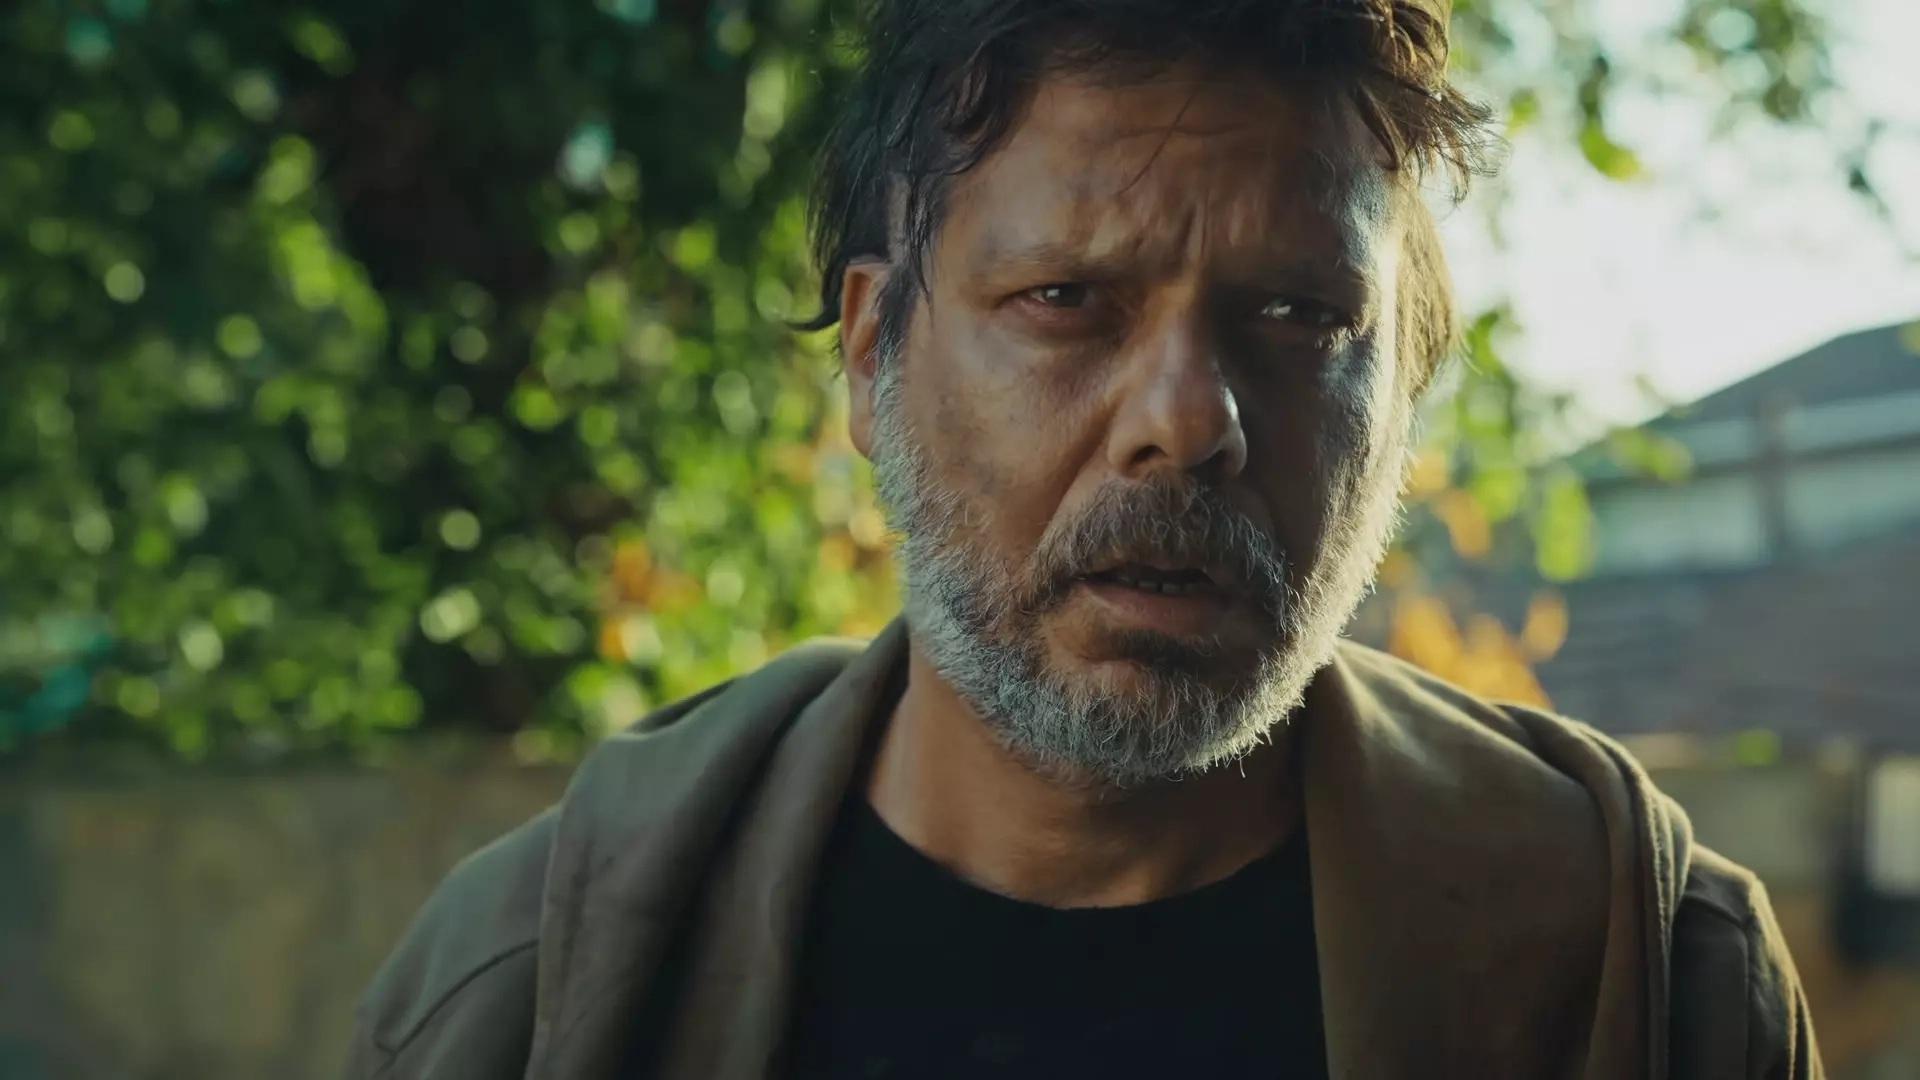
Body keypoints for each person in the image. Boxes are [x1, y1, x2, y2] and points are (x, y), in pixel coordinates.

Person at [347, 1, 1822, 1076]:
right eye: (1065, 301)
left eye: (1299, 315)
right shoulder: (526, 992)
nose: (1186, 422)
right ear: (870, 355)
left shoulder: (1658, 993)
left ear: (1407, 396)